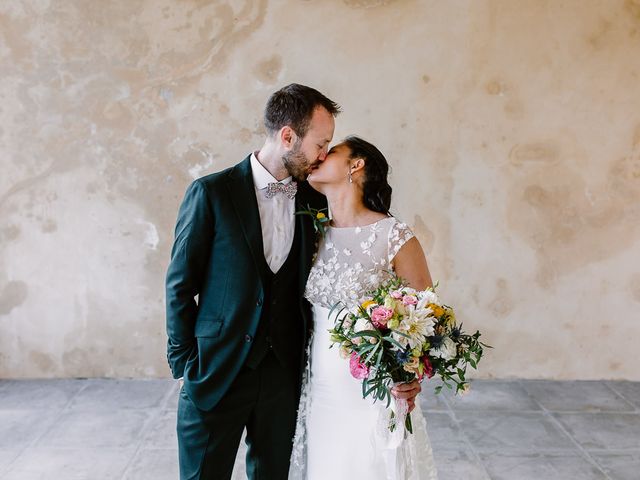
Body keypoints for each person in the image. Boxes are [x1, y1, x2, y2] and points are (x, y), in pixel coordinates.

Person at [165, 84, 421, 479]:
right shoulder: (212, 193)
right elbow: (180, 285)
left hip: (284, 378)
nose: (323, 154)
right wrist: (185, 363)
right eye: (321, 143)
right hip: (216, 370)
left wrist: (402, 367)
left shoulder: (316, 201)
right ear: (288, 137)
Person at [289, 136, 438, 480]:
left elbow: (426, 317)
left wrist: (409, 376)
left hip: (374, 388)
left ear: (356, 165)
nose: (320, 156)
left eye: (333, 151)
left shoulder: (394, 236)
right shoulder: (312, 231)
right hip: (321, 387)